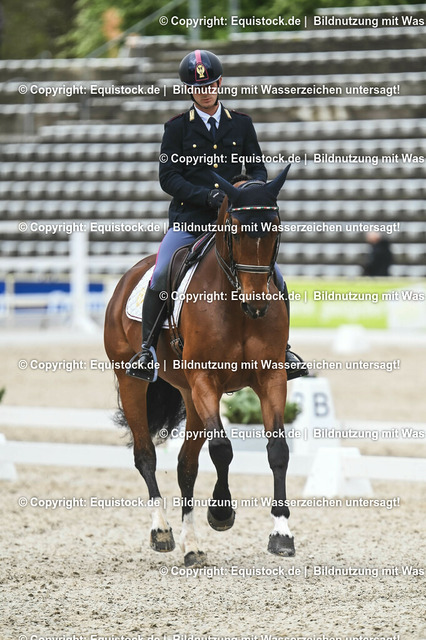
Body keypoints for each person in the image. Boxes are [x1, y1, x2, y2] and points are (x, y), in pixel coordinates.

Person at [127, 50, 307, 382]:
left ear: (219, 83)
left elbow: (257, 168)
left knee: (276, 277)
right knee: (162, 271)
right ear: (189, 90)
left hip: (234, 220)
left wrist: (248, 190)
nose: (206, 92)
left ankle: (284, 350)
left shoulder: (242, 124)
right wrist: (206, 196)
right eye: (199, 87)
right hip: (191, 219)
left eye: (210, 85)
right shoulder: (177, 128)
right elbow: (169, 178)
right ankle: (146, 350)